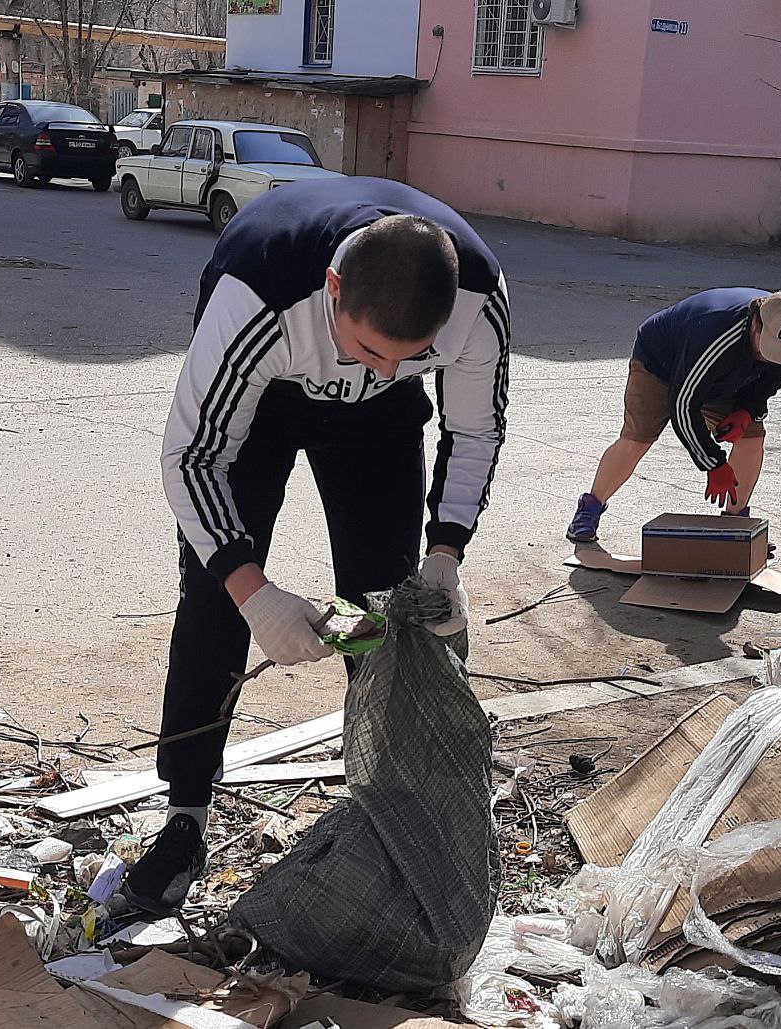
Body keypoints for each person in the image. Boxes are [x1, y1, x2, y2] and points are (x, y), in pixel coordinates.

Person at [123, 177, 510, 915]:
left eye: (414, 353)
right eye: (371, 349)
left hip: (379, 428)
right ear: (335, 289)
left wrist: (447, 553)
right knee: (216, 595)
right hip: (263, 401)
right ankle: (186, 810)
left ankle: (389, 800)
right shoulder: (259, 293)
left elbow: (476, 430)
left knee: (384, 608)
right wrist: (254, 593)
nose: (386, 368)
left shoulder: (477, 300)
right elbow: (191, 458)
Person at [566, 288, 781, 542]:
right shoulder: (717, 333)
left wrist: (746, 412)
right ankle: (589, 510)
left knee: (751, 440)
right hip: (661, 365)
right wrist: (713, 464)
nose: (767, 355)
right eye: (766, 346)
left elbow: (771, 380)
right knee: (637, 440)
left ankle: (737, 527)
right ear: (756, 322)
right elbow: (683, 405)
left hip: (720, 376)